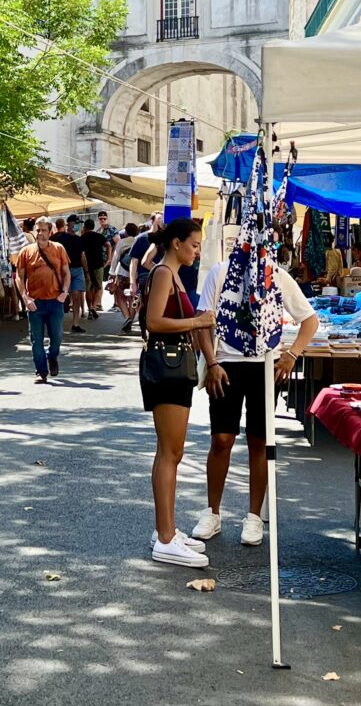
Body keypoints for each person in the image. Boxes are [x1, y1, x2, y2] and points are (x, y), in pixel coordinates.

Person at [192, 249, 319, 547]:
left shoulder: (276, 275)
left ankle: (253, 516)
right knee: (221, 439)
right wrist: (212, 362)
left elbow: (309, 320)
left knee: (259, 440)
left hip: (264, 367)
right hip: (226, 364)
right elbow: (202, 320)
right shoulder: (220, 272)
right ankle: (212, 511)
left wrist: (291, 355)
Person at [142, 218, 215, 568]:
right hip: (168, 365)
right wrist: (197, 323)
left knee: (170, 451)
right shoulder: (162, 274)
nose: (197, 250)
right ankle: (166, 538)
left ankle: (166, 530)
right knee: (170, 452)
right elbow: (153, 322)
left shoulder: (172, 275)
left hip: (174, 365)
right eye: (194, 244)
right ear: (176, 243)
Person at [15, 216, 71, 382]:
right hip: (35, 303)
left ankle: (52, 356)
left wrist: (65, 292)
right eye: (37, 230)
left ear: (50, 231)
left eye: (43, 230)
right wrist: (25, 298)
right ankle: (41, 371)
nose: (40, 233)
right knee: (36, 340)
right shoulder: (26, 251)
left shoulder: (59, 248)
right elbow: (19, 276)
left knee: (57, 336)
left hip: (55, 300)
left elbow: (66, 272)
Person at [52, 217, 88, 333]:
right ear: (70, 224)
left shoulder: (55, 238)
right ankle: (75, 323)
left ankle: (58, 324)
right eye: (77, 223)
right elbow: (82, 256)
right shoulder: (77, 239)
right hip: (75, 269)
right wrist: (87, 272)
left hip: (62, 270)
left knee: (59, 296)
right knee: (76, 297)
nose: (77, 226)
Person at [128, 212, 164, 308]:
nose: (161, 222)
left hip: (162, 277)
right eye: (159, 219)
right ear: (152, 221)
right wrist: (132, 283)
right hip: (145, 276)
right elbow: (133, 262)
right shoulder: (141, 238)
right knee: (146, 306)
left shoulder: (166, 238)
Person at [109, 222, 139, 331]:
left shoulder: (122, 242)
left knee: (119, 294)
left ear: (126, 232)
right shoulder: (138, 241)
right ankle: (131, 317)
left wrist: (111, 273)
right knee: (133, 296)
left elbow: (116, 257)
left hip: (122, 272)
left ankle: (127, 317)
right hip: (135, 274)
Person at [81, 218, 109, 320]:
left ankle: (89, 310)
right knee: (98, 287)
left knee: (88, 288)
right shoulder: (99, 236)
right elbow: (108, 245)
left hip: (86, 265)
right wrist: (109, 258)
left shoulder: (82, 237)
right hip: (98, 264)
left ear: (85, 226)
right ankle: (94, 306)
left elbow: (81, 253)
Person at [97, 210, 120, 310]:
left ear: (107, 219)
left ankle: (116, 303)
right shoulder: (98, 231)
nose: (102, 220)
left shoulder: (112, 230)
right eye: (101, 219)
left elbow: (118, 242)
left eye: (104, 218)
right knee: (100, 282)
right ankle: (98, 303)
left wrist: (113, 257)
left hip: (111, 260)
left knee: (113, 282)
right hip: (101, 260)